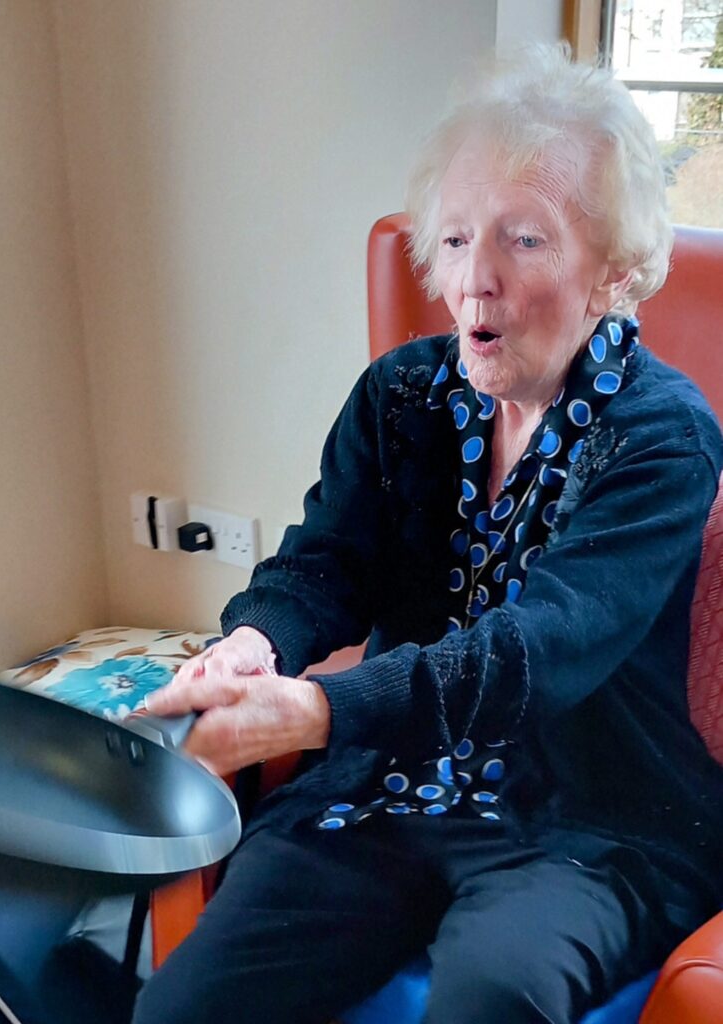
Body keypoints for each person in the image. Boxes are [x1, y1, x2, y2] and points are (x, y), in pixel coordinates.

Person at [133, 45, 723, 1024]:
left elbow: (536, 650)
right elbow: (323, 562)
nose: (473, 281)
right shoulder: (401, 396)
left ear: (612, 272)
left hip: (588, 816)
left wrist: (318, 712)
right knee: (181, 1007)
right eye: (454, 239)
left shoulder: (662, 435)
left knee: (495, 996)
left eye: (523, 240)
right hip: (393, 785)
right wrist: (252, 645)